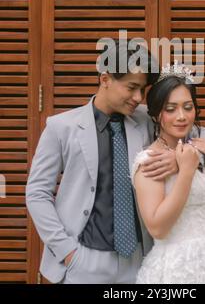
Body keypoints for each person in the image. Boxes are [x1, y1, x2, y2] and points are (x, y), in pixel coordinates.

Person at [26, 41, 178, 284]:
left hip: (140, 261)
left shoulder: (147, 120)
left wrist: (178, 157)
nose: (138, 98)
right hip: (83, 261)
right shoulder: (61, 127)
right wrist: (67, 251)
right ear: (105, 79)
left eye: (143, 90)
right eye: (132, 87)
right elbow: (37, 192)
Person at [132, 63, 205, 284]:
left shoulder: (204, 150)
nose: (181, 116)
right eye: (171, 108)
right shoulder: (149, 161)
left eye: (187, 107)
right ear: (156, 114)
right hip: (175, 268)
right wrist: (185, 171)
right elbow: (157, 228)